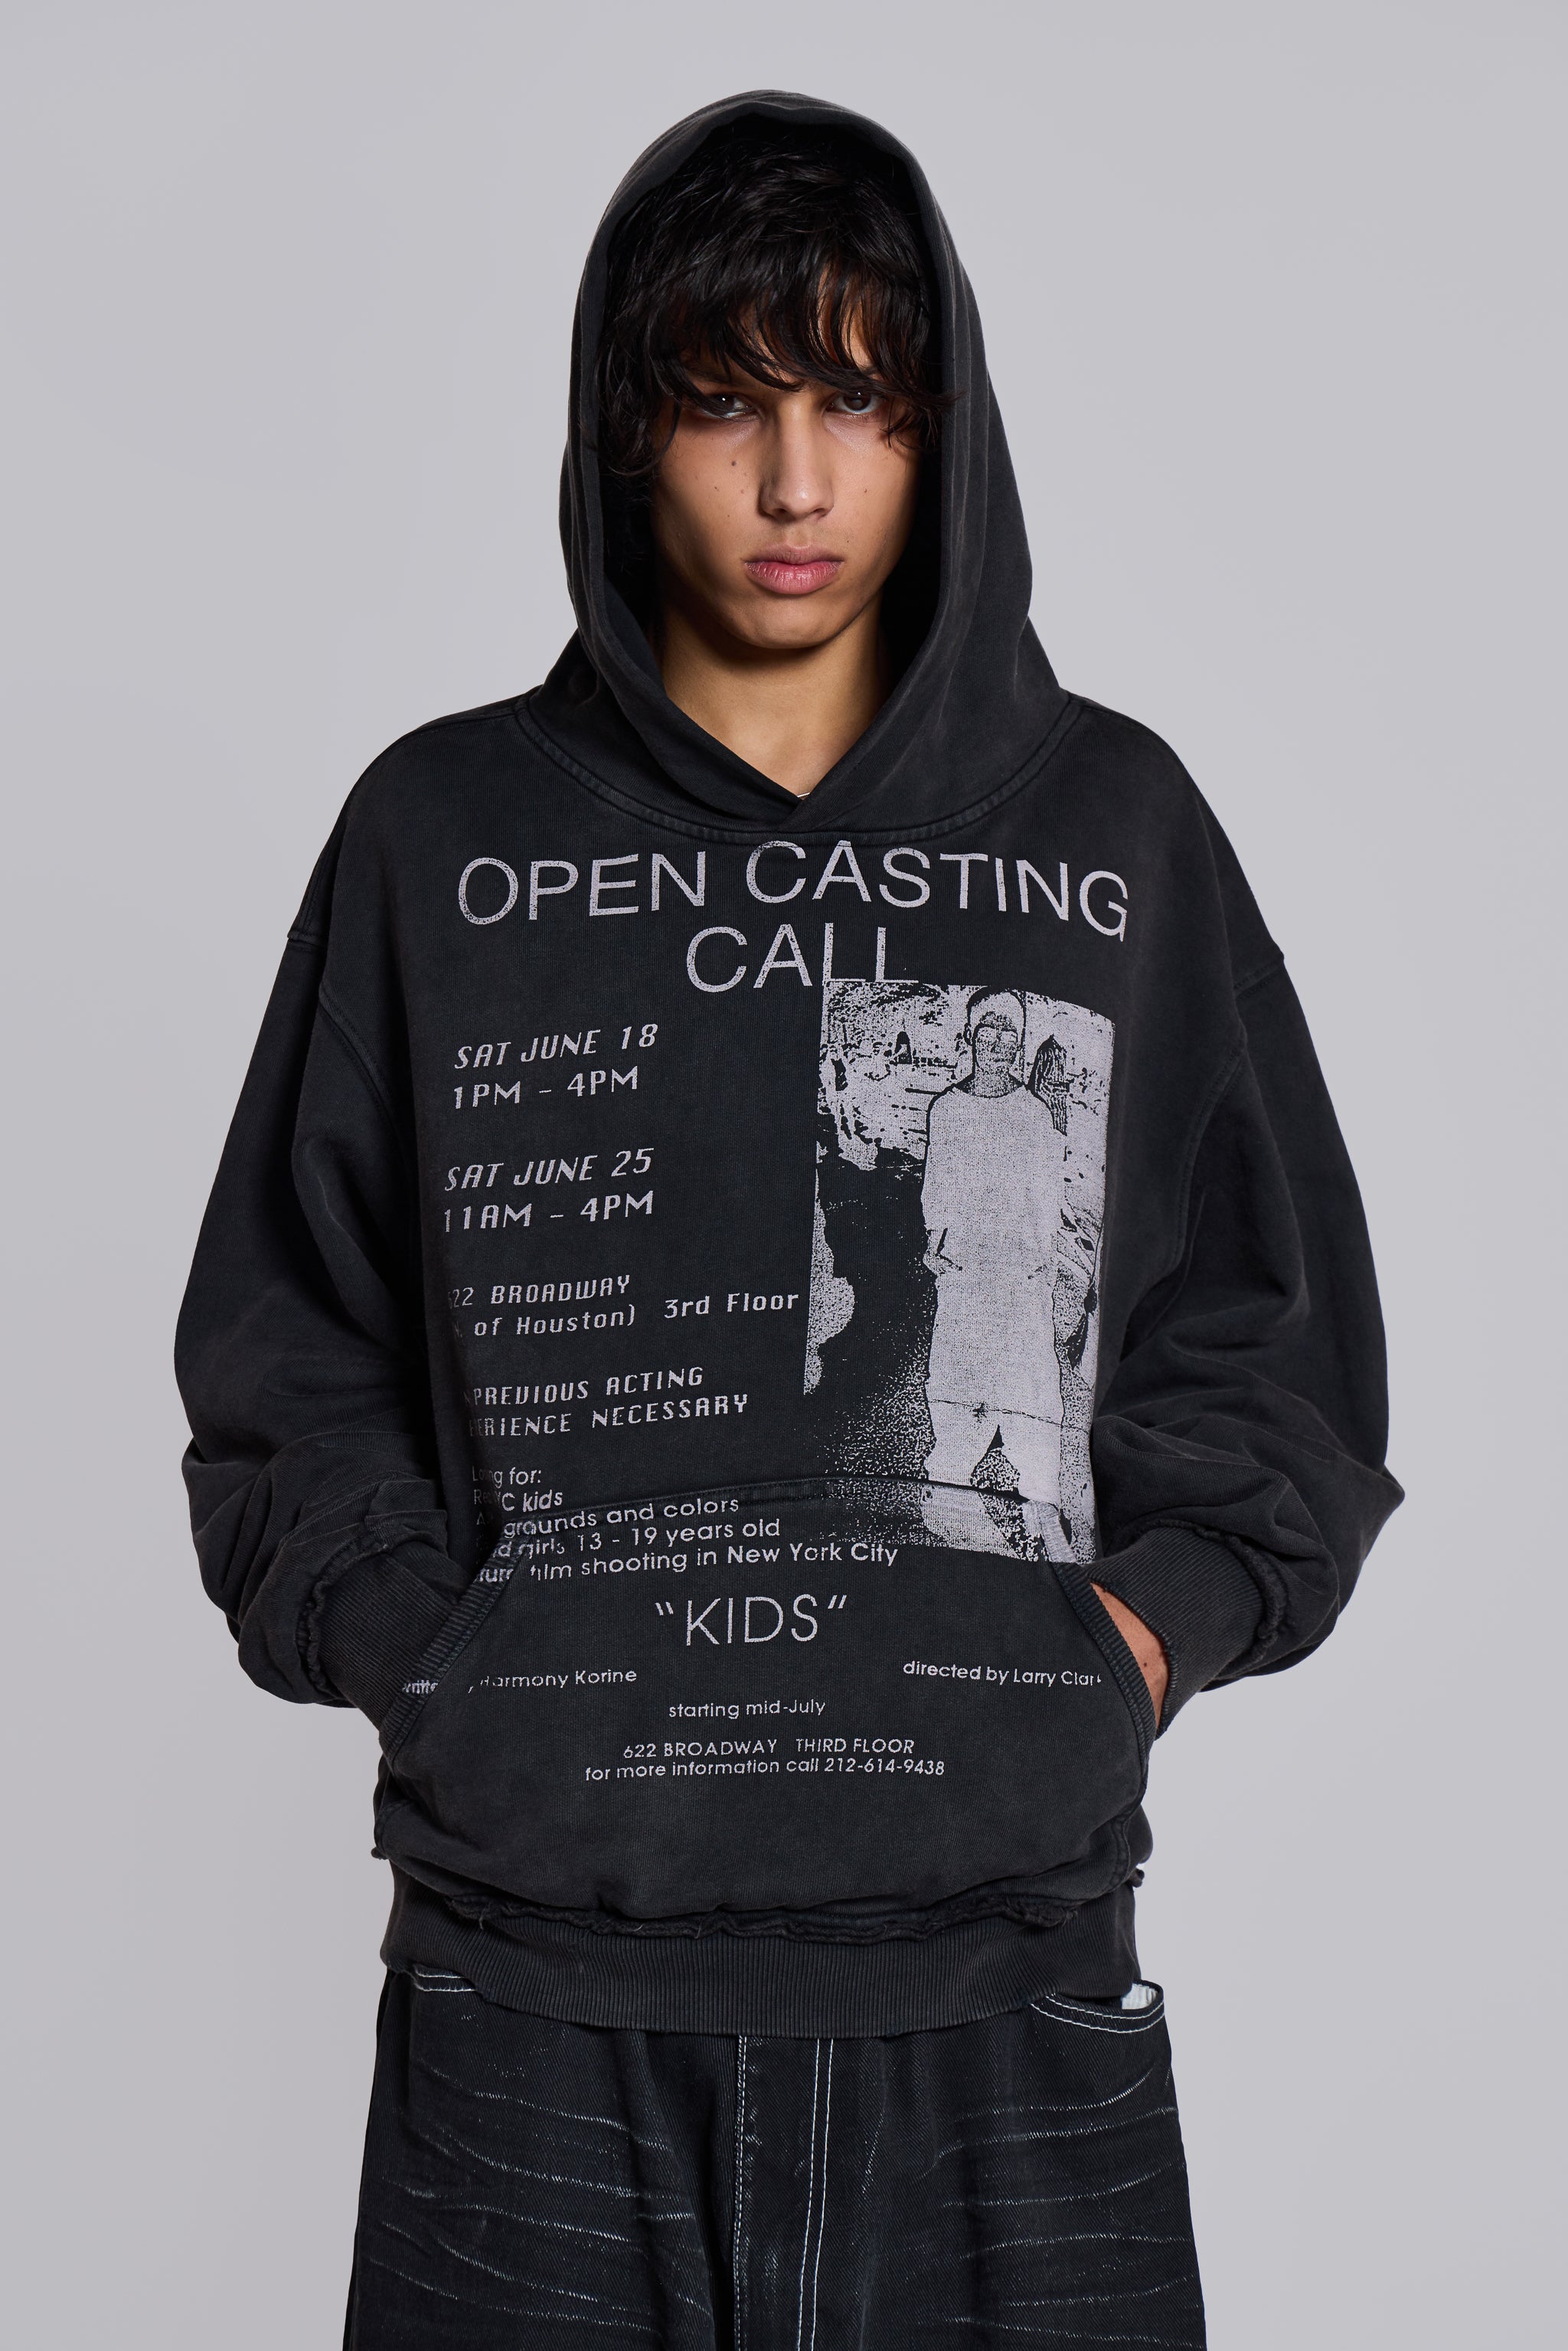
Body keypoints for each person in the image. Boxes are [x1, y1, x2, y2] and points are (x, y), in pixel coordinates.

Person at [178, 93, 1401, 2348]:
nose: (796, 485)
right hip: (533, 2021)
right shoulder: (440, 836)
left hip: (1005, 2001)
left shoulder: (1113, 828)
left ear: (946, 427)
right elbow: (287, 1359)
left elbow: (1275, 1352)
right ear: (623, 431)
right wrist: (435, 1661)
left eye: (858, 401)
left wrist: (1131, 1646)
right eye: (725, 404)